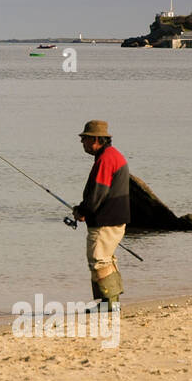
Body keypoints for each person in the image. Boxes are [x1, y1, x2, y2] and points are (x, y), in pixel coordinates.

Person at [72, 120, 129, 308]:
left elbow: (98, 192)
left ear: (96, 139)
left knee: (99, 261)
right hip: (114, 218)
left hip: (106, 220)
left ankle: (110, 304)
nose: (82, 143)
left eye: (85, 139)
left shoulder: (106, 159)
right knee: (107, 260)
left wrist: (83, 211)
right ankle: (110, 302)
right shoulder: (111, 156)